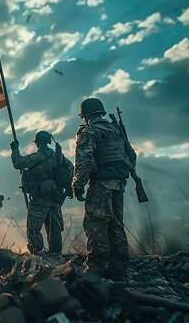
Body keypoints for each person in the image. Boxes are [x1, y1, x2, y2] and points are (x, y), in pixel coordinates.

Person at [73, 97, 136, 280]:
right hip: (119, 183)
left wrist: (78, 185)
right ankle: (119, 269)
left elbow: (84, 160)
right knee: (116, 225)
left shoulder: (90, 131)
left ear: (85, 116)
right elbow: (131, 155)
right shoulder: (115, 130)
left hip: (101, 184)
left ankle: (95, 269)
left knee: (96, 224)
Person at [10, 131, 73, 256]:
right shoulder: (59, 156)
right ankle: (56, 254)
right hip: (55, 198)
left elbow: (18, 163)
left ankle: (37, 254)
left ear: (37, 143)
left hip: (40, 198)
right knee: (54, 228)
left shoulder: (38, 156)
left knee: (33, 228)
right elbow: (70, 168)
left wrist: (15, 149)